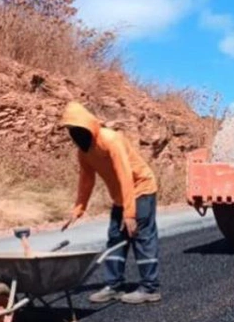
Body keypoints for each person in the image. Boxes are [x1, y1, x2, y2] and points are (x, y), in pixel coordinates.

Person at [58, 101, 162, 305]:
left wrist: (130, 214)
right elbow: (86, 180)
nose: (75, 134)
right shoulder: (84, 151)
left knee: (140, 236)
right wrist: (78, 209)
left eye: (78, 129)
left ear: (88, 126)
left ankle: (150, 288)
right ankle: (113, 286)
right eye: (71, 130)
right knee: (115, 237)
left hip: (140, 188)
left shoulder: (110, 140)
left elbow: (125, 174)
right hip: (121, 196)